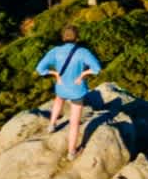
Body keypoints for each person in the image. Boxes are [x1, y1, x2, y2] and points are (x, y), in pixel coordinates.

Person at [35, 25, 103, 158]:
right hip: (76, 90)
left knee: (58, 100)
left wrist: (55, 73)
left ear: (63, 38)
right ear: (77, 38)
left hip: (61, 87)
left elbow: (40, 69)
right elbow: (97, 69)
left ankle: (51, 125)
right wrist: (83, 75)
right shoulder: (83, 52)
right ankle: (72, 152)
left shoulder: (55, 51)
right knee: (74, 122)